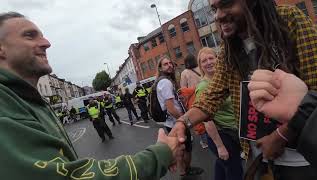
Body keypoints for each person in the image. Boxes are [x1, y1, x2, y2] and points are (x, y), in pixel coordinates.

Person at [0, 12, 184, 179]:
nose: (46, 43)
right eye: (29, 35)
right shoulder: (5, 104)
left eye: (41, 35)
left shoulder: (28, 99)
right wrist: (160, 155)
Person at [169, 0, 317, 179]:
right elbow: (212, 95)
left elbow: (316, 89)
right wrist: (182, 123)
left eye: (226, 4)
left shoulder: (289, 19)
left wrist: (281, 136)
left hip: (304, 157)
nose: (218, 15)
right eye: (214, 9)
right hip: (258, 154)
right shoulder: (229, 46)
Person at [248, 69, 317, 172]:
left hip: (301, 160)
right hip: (257, 153)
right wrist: (299, 109)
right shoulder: (229, 57)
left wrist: (281, 134)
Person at [196, 47, 243, 180]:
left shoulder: (223, 80)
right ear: (201, 66)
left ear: (217, 59)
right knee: (235, 172)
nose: (209, 62)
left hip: (233, 131)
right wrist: (220, 146)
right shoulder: (203, 87)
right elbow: (207, 120)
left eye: (211, 58)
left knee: (222, 166)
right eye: (204, 61)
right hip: (222, 135)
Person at [155, 56, 203, 177]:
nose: (169, 65)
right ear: (160, 68)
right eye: (165, 64)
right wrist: (184, 120)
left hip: (172, 122)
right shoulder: (165, 82)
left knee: (180, 148)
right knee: (185, 148)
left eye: (170, 63)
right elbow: (171, 108)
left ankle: (183, 171)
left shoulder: (166, 81)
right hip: (176, 122)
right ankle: (185, 170)